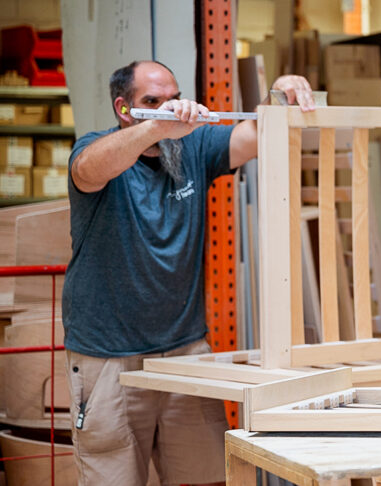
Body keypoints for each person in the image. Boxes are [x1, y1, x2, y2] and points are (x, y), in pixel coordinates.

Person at [62, 60, 315, 486]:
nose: (168, 109)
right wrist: (158, 128)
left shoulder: (193, 147)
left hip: (184, 354)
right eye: (153, 103)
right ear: (125, 109)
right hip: (107, 358)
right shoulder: (98, 149)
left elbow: (255, 134)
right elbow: (88, 169)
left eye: (173, 99)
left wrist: (279, 95)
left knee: (209, 477)